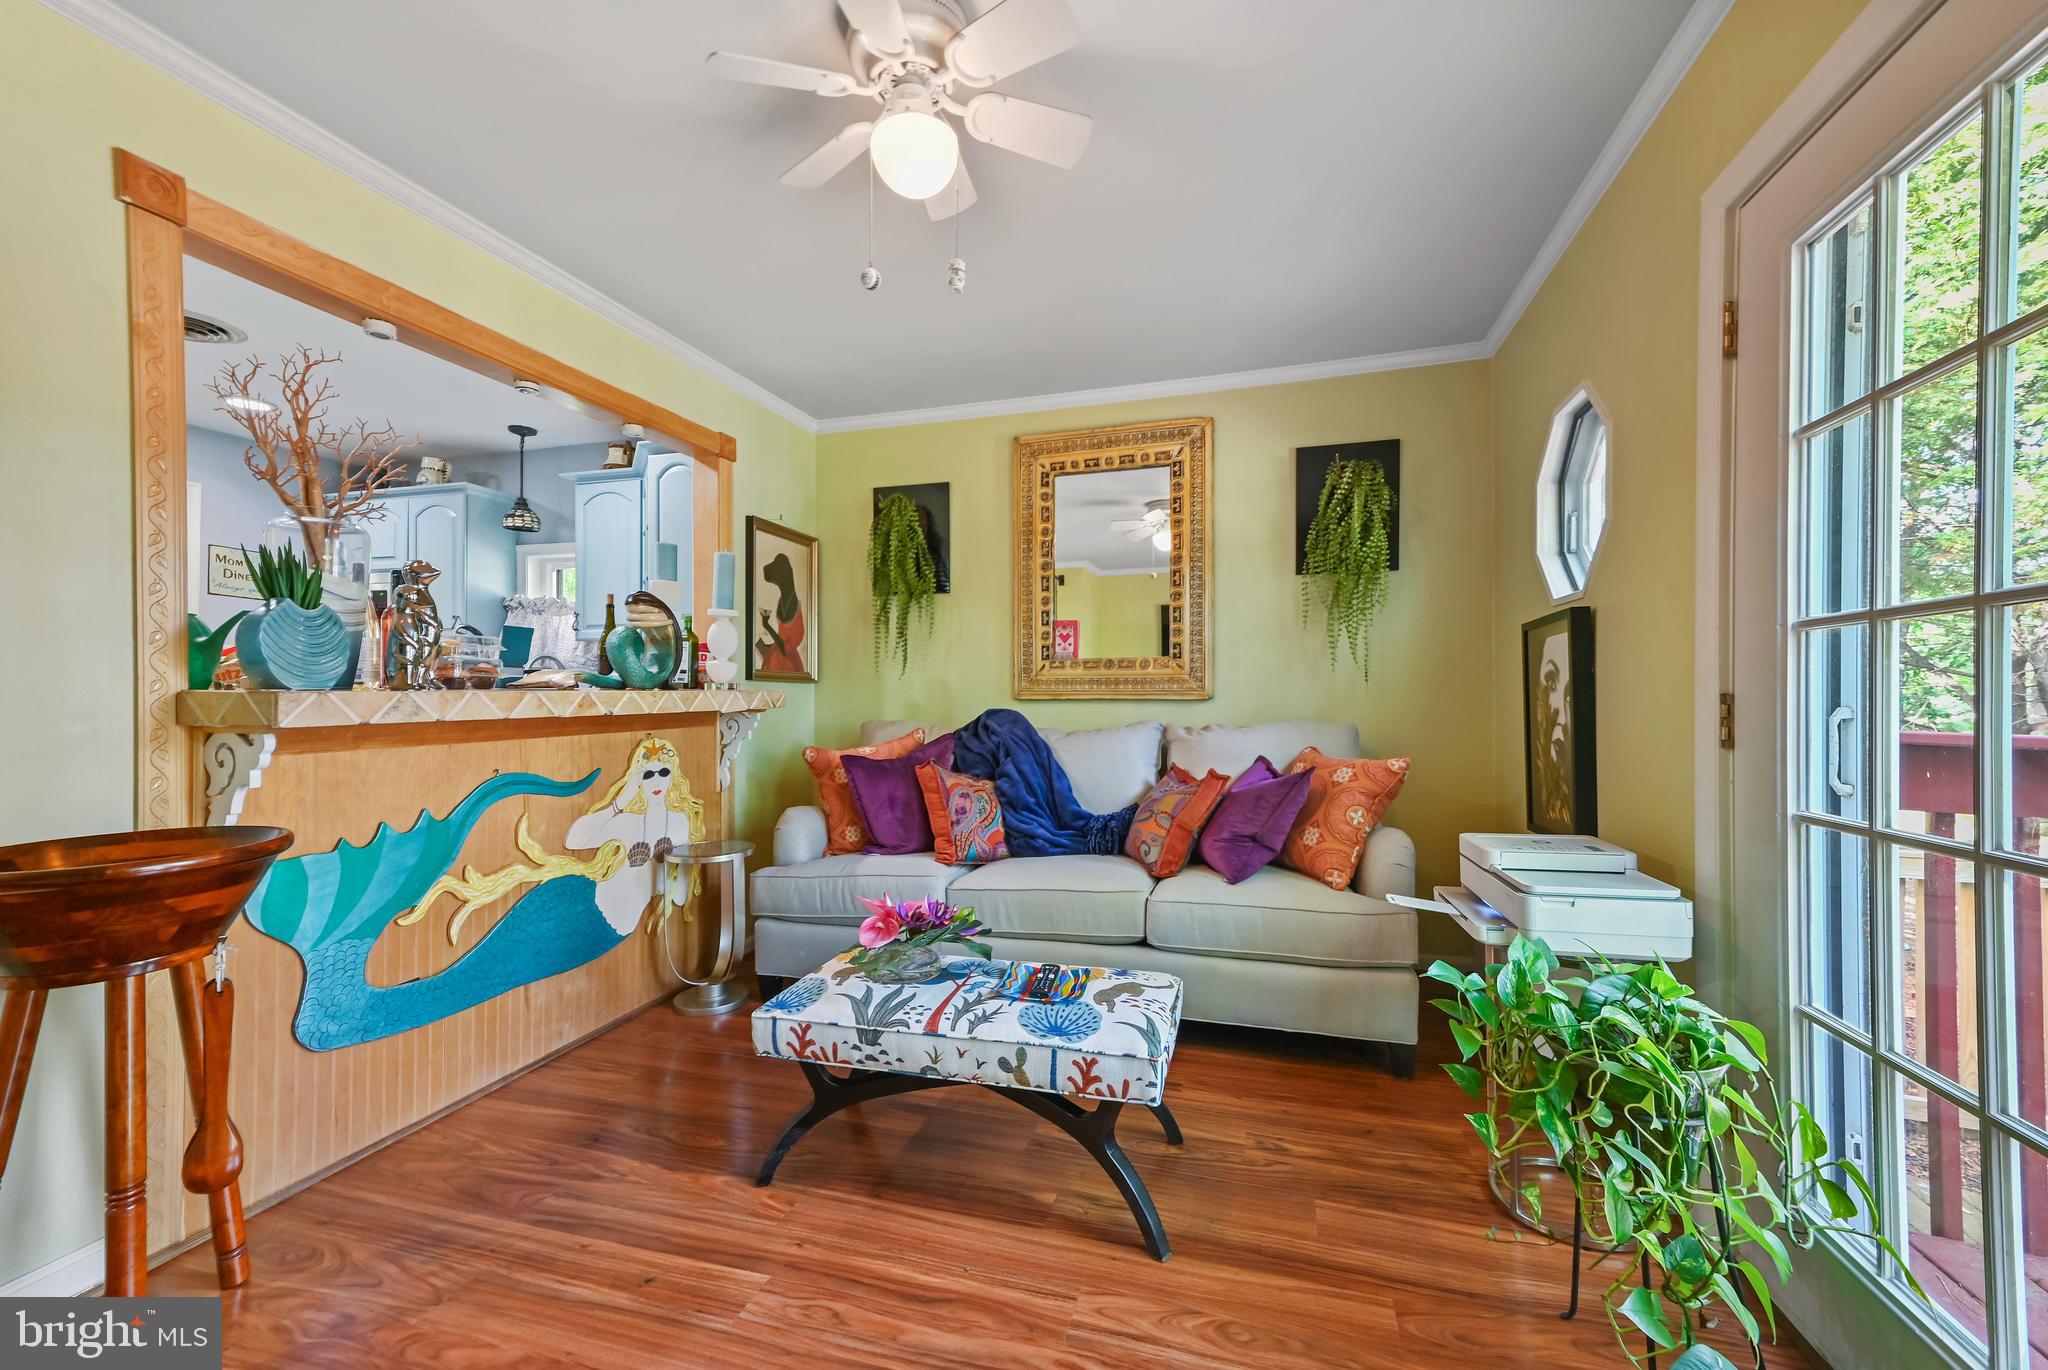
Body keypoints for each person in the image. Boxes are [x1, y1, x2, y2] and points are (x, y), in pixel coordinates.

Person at [755, 551, 807, 674]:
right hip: (780, 654)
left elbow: (785, 646)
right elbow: (782, 642)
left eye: (775, 581)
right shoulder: (784, 599)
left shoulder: (792, 603)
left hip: (785, 660)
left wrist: (766, 625)